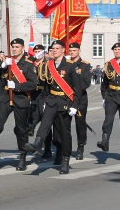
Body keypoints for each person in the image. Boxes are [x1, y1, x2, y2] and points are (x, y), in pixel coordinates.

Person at [24, 40, 82, 174]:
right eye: (52, 48)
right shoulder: (47, 65)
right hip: (51, 100)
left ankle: (65, 159)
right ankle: (37, 143)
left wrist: (75, 105)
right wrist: (44, 100)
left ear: (63, 50)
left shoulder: (71, 66)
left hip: (65, 102)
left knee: (63, 134)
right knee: (45, 123)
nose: (54, 50)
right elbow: (45, 86)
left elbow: (77, 89)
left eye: (57, 48)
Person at [0, 38, 37, 171]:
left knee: (21, 129)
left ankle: (22, 157)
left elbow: (33, 84)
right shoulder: (8, 62)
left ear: (23, 48)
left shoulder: (28, 64)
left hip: (21, 98)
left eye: (17, 47)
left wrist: (17, 86)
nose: (14, 49)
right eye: (13, 46)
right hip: (6, 97)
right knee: (0, 117)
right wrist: (1, 66)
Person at [67, 42, 92, 160]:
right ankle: (65, 147)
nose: (72, 53)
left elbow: (86, 83)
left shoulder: (85, 65)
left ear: (79, 51)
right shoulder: (65, 64)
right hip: (66, 99)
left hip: (80, 99)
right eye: (70, 51)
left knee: (80, 124)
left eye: (74, 50)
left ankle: (80, 147)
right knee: (65, 124)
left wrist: (74, 90)